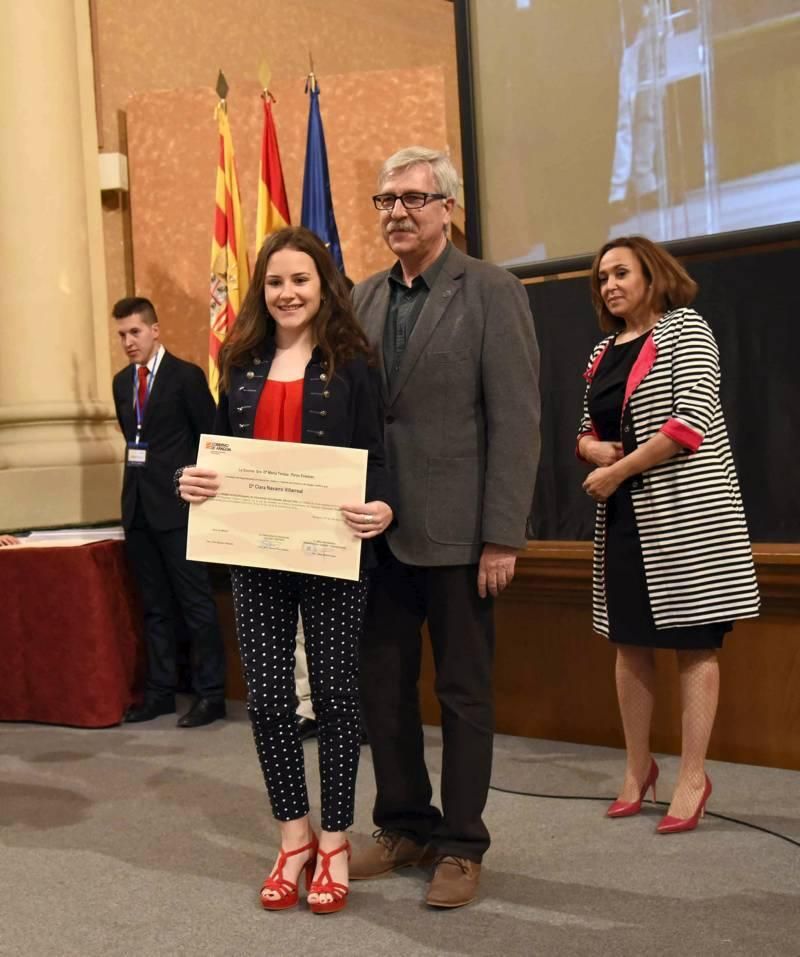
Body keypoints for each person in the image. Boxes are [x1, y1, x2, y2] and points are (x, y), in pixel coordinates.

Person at [178, 226, 392, 915]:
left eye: (299, 279)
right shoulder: (238, 360)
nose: (287, 292)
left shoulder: (354, 359)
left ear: (323, 285)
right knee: (269, 700)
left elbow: (379, 453)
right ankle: (292, 837)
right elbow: (220, 455)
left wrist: (384, 504)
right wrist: (197, 482)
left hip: (333, 550)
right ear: (260, 290)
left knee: (332, 696)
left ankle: (334, 839)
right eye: (274, 281)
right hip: (254, 553)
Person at [350, 147, 540, 908]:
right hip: (374, 532)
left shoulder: (492, 289)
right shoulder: (359, 299)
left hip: (463, 536)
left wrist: (503, 533)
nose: (397, 211)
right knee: (384, 689)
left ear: (448, 207)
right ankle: (404, 824)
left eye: (413, 198)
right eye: (385, 199)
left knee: (463, 693)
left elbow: (517, 419)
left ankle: (462, 842)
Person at [577, 236, 759, 833]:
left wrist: (617, 470)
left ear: (652, 275)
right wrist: (593, 449)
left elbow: (691, 423)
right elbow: (585, 426)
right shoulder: (604, 349)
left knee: (693, 644)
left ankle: (692, 776)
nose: (609, 285)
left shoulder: (687, 329)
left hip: (688, 519)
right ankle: (638, 770)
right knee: (630, 643)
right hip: (625, 517)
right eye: (602, 277)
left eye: (620, 272)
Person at [112, 297, 226, 727]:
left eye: (135, 332)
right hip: (138, 508)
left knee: (195, 603)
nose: (128, 342)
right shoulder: (122, 383)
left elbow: (209, 439)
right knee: (154, 606)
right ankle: (160, 692)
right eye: (121, 334)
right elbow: (132, 439)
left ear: (155, 330)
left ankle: (211, 694)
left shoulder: (185, 377)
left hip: (179, 508)